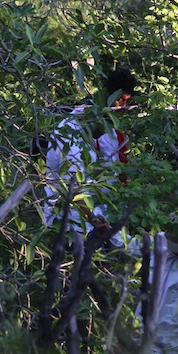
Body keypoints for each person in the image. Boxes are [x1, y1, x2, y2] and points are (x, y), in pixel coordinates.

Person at [44, 68, 138, 246]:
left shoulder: (109, 131)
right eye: (120, 100)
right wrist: (95, 220)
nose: (123, 107)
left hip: (97, 220)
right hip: (68, 223)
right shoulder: (69, 134)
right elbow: (73, 187)